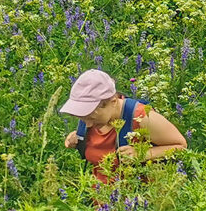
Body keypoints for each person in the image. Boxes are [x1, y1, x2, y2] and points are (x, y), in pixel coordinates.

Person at [59, 69, 187, 181]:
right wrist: (78, 138)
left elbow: (181, 147)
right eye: (82, 117)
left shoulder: (141, 117)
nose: (87, 124)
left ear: (113, 101)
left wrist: (142, 154)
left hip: (141, 203)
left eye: (91, 117)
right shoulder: (89, 118)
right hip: (101, 202)